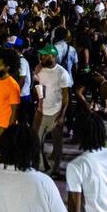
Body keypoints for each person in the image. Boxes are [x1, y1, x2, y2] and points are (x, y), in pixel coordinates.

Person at [33, 45, 72, 177]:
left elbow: (66, 97)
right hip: (41, 111)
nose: (41, 57)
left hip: (56, 112)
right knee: (36, 140)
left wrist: (62, 115)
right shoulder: (38, 69)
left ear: (53, 57)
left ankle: (56, 167)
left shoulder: (62, 74)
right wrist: (37, 93)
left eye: (45, 55)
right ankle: (41, 167)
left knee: (57, 142)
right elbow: (36, 86)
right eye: (41, 55)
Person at [0, 49, 21, 163]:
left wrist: (10, 129)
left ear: (7, 67)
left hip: (5, 125)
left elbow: (15, 110)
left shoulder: (13, 86)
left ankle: (1, 172)